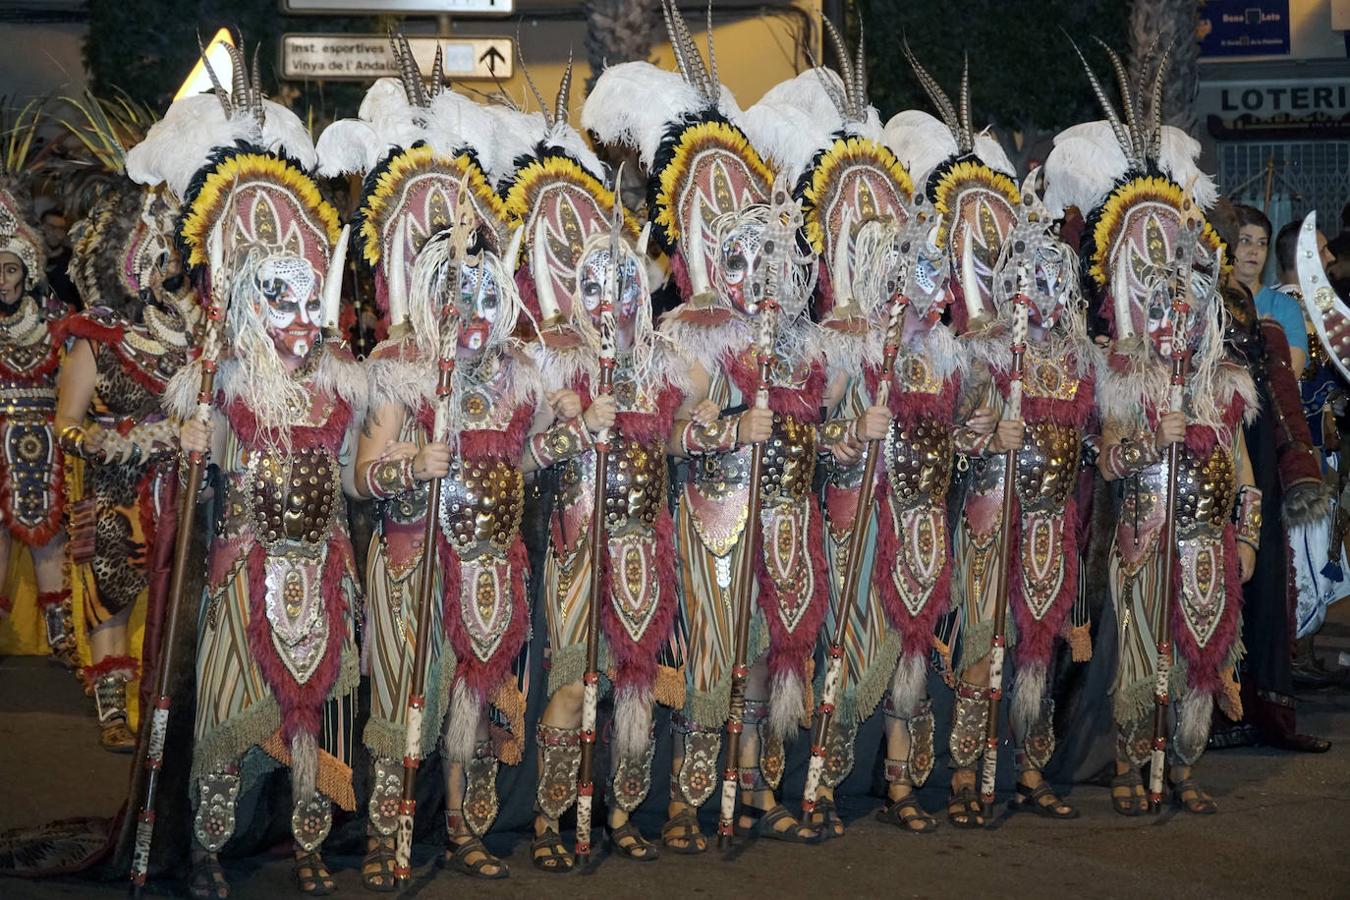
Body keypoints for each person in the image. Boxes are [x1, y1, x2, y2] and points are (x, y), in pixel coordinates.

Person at [584, 3, 827, 850]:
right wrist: (730, 430)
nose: (752, 263)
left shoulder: (790, 335)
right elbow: (671, 435)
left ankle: (754, 783)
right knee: (712, 656)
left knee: (765, 652)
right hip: (708, 525)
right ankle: (687, 801)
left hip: (779, 521)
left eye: (763, 249)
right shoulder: (684, 333)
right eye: (734, 246)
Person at [128, 44, 367, 897]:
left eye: (312, 302)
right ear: (251, 307)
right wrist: (187, 449)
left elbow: (354, 481)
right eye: (284, 303)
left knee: (316, 719)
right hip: (245, 577)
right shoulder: (219, 387)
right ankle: (205, 853)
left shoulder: (345, 384)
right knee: (232, 717)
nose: (303, 320)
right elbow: (178, 492)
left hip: (323, 572)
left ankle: (306, 843)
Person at [316, 46, 543, 884]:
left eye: (490, 298)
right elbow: (357, 477)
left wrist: (566, 438)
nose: (477, 314)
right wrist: (412, 459)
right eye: (462, 295)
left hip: (485, 562)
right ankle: (390, 836)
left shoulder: (510, 375)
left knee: (467, 700)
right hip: (410, 559)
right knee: (404, 703)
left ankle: (465, 829)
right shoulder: (401, 367)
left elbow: (526, 457)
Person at [736, 46, 952, 836]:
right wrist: (851, 436)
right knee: (825, 652)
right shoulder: (833, 343)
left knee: (908, 648)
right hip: (846, 525)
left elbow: (951, 428)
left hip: (914, 525)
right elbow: (811, 434)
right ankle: (802, 787)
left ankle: (898, 783)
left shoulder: (936, 347)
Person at [1048, 43, 1258, 816]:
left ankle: (1185, 767)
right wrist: (1149, 438)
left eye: (1191, 308)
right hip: (1142, 538)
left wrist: (1248, 537)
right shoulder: (1123, 373)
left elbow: (1243, 472)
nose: (1180, 316)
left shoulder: (1226, 384)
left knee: (1201, 655)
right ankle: (1136, 768)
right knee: (1141, 652)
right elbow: (1104, 461)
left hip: (1206, 544)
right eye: (1168, 303)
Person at [496, 81, 685, 869]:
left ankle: (622, 813)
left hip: (644, 548)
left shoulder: (663, 364)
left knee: (635, 689)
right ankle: (549, 821)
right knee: (572, 689)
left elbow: (682, 441)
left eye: (623, 287)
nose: (611, 302)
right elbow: (517, 453)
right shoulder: (550, 362)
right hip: (575, 554)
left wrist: (715, 428)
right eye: (595, 287)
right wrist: (571, 422)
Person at [55, 178, 195, 752]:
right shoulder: (96, 338)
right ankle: (112, 707)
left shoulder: (192, 335)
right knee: (109, 586)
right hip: (114, 486)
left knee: (180, 590)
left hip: (179, 484)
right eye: (153, 257)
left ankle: (168, 702)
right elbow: (67, 423)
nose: (164, 269)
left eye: (171, 258)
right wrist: (106, 444)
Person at [0, 157, 70, 660]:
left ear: (26, 270)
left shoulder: (56, 322)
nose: (2, 279)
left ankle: (63, 637)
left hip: (46, 446)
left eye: (9, 269)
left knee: (49, 538)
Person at [41, 208, 78, 309]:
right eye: (51, 227)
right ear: (42, 227)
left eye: (61, 229)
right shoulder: (31, 257)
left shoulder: (73, 260)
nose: (55, 233)